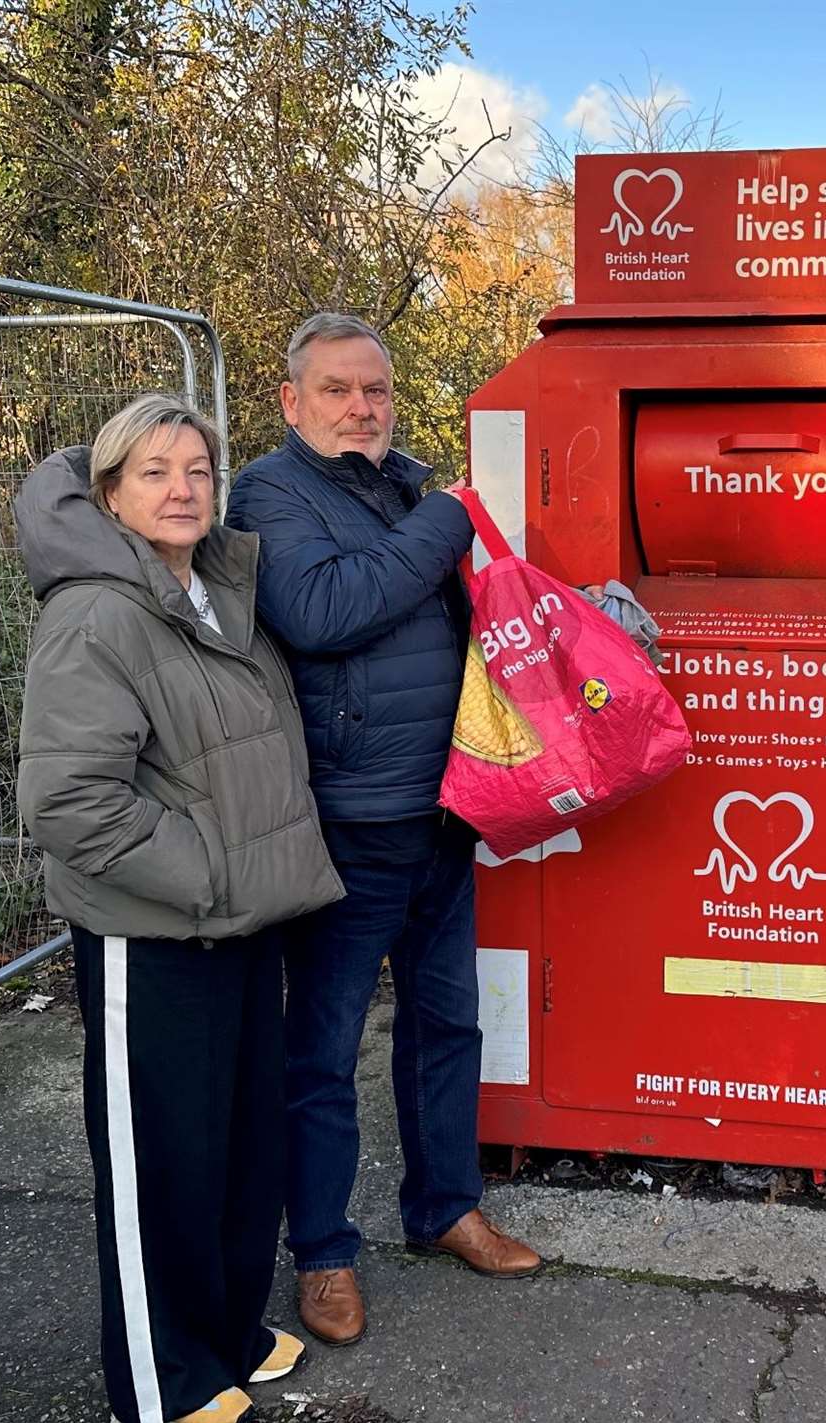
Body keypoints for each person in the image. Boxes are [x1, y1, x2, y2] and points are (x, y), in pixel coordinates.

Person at [16, 394, 344, 1423]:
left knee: (240, 1147)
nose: (181, 488)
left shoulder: (210, 589)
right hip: (153, 931)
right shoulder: (97, 611)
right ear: (110, 493)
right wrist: (206, 872)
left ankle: (229, 1332)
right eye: (154, 471)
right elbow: (70, 801)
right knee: (162, 1160)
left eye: (197, 467)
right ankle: (160, 1376)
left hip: (241, 920)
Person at [225, 313, 541, 1347]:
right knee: (320, 1050)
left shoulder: (403, 484)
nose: (361, 407)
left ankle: (445, 1207)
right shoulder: (271, 493)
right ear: (291, 402)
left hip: (449, 809)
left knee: (447, 1025)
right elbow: (321, 611)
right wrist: (445, 523)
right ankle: (321, 1251)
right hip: (351, 818)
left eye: (376, 390)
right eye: (337, 390)